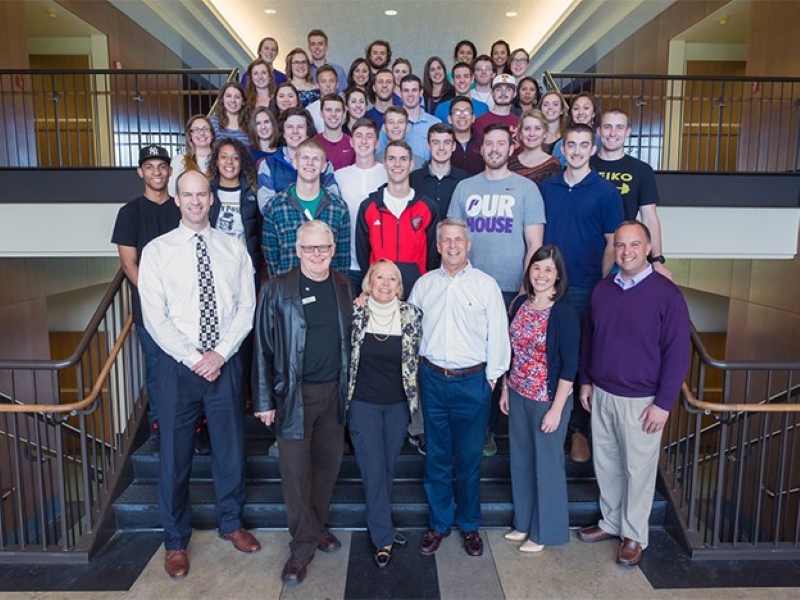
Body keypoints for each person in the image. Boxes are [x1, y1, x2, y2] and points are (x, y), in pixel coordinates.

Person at [138, 169, 259, 580]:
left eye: (201, 194)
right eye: (187, 195)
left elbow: (246, 306)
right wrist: (194, 357)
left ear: (211, 199)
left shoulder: (232, 247)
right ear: (177, 199)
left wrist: (220, 353)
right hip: (179, 366)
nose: (194, 201)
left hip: (224, 364)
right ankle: (175, 541)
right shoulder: (157, 251)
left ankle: (231, 523)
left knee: (230, 450)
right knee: (174, 457)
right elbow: (156, 318)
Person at [577, 220, 690, 566]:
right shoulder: (603, 289)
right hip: (603, 393)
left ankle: (634, 535)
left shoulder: (667, 295)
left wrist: (663, 404)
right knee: (607, 464)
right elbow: (588, 339)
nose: (626, 252)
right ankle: (611, 522)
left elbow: (678, 353)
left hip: (643, 401)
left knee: (638, 471)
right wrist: (585, 380)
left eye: (634, 245)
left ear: (648, 248)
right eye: (621, 245)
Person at [253, 220, 353, 585]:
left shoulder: (344, 286)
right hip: (294, 396)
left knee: (327, 466)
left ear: (332, 248)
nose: (317, 255)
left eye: (323, 248)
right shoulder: (277, 289)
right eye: (309, 248)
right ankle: (301, 546)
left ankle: (316, 526)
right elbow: (262, 349)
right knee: (295, 473)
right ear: (297, 250)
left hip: (334, 393)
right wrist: (264, 400)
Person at [410, 218, 510, 558]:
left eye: (458, 240)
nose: (452, 246)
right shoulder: (424, 285)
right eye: (446, 240)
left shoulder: (485, 285)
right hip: (433, 379)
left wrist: (492, 377)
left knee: (469, 459)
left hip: (473, 382)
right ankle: (438, 524)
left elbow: (498, 333)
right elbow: (412, 330)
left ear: (468, 245)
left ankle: (469, 525)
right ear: (438, 246)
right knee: (437, 457)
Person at [448, 122, 546, 457]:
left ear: (511, 148)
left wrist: (525, 288)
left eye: (500, 144)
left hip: (509, 289)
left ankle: (508, 428)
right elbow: (452, 238)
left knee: (508, 359)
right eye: (488, 144)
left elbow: (535, 242)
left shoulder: (526, 189)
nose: (494, 150)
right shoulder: (464, 188)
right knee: (474, 360)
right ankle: (482, 429)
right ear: (481, 148)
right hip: (469, 287)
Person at [539, 123, 624, 463]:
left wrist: (600, 286)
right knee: (547, 356)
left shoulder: (606, 192)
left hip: (585, 288)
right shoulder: (546, 188)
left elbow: (610, 244)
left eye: (582, 145)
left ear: (593, 149)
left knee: (578, 360)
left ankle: (577, 430)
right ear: (563, 149)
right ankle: (548, 420)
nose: (575, 150)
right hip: (547, 287)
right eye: (570, 144)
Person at [499, 246, 580, 553]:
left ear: (558, 275)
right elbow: (510, 351)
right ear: (529, 271)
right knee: (520, 461)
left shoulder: (563, 311)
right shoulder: (520, 303)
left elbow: (570, 365)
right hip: (518, 394)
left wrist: (557, 409)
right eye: (537, 268)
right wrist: (506, 388)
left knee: (546, 465)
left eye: (548, 270)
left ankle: (545, 532)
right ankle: (524, 523)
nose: (541, 275)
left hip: (548, 399)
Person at [347, 259, 422, 568]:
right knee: (373, 469)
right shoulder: (354, 313)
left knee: (388, 468)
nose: (386, 283)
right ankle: (383, 539)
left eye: (393, 279)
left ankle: (383, 525)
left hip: (397, 406)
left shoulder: (412, 315)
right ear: (369, 281)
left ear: (399, 286)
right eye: (380, 277)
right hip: (363, 404)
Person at [111, 145, 180, 439]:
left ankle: (193, 425)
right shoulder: (129, 212)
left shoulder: (181, 208)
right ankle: (161, 427)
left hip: (185, 306)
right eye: (150, 167)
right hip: (149, 308)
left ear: (170, 171)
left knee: (188, 366)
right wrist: (156, 297)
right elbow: (129, 265)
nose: (156, 172)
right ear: (140, 172)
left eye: (162, 166)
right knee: (157, 367)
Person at [591, 108, 670, 277]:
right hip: (586, 254)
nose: (613, 133)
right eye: (607, 127)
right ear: (598, 131)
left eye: (619, 127)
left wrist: (657, 260)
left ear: (628, 132)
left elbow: (649, 217)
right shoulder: (585, 166)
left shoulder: (642, 170)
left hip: (623, 257)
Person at [356, 140, 439, 296]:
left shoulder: (428, 207)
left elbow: (433, 254)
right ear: (385, 164)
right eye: (392, 159)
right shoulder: (369, 207)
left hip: (417, 289)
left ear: (411, 164)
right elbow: (363, 253)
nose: (397, 164)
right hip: (380, 290)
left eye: (403, 159)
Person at [261, 138, 350, 278]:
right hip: (287, 293)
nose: (310, 163)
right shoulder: (275, 206)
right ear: (295, 162)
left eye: (316, 159)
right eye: (305, 158)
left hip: (327, 291)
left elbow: (343, 259)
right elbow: (271, 258)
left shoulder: (338, 207)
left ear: (324, 166)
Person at [334, 118, 387, 290]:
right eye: (359, 136)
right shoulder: (338, 176)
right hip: (347, 264)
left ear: (377, 142)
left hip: (380, 263)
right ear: (351, 141)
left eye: (369, 136)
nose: (364, 141)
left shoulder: (388, 174)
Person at [256, 106, 338, 210]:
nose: (295, 131)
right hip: (284, 224)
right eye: (290, 127)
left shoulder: (323, 164)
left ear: (308, 132)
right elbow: (265, 206)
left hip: (316, 223)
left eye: (300, 127)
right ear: (283, 133)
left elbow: (334, 201)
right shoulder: (268, 164)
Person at [410, 122, 469, 222]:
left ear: (453, 146)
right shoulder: (413, 179)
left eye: (446, 142)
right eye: (436, 142)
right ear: (428, 146)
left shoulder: (465, 180)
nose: (441, 148)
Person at [388, 74, 442, 161]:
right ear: (400, 94)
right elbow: (381, 156)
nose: (410, 94)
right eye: (406, 90)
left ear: (421, 93)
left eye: (414, 90)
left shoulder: (436, 124)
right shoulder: (389, 125)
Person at [508, 109, 562, 185]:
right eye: (527, 128)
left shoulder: (553, 165)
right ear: (520, 133)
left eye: (537, 128)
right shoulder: (510, 163)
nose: (532, 133)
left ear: (545, 133)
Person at [551, 91, 601, 167]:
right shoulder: (560, 144)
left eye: (586, 108)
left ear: (594, 113)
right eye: (576, 108)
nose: (580, 112)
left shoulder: (601, 141)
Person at [169, 115, 214, 197]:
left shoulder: (222, 160)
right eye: (196, 129)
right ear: (190, 135)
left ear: (212, 134)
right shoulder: (179, 160)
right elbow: (172, 192)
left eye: (205, 129)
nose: (202, 133)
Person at [472, 74, 519, 146]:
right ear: (492, 93)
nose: (503, 93)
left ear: (515, 93)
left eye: (508, 89)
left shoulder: (520, 123)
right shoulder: (479, 122)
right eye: (498, 89)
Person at [314, 94, 355, 171]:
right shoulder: (313, 143)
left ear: (344, 114)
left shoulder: (352, 143)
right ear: (321, 113)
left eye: (338, 110)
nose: (333, 114)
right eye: (328, 110)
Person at [448, 96, 484, 175]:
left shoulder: (483, 142)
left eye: (467, 112)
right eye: (457, 112)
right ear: (449, 119)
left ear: (473, 118)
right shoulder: (444, 143)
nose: (462, 116)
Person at [209, 81, 250, 148]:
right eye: (228, 96)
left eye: (237, 97)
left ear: (243, 102)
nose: (233, 100)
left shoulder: (250, 123)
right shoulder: (213, 122)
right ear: (222, 99)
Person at [307, 29, 347, 94]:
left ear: (326, 47)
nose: (317, 47)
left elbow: (343, 96)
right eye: (313, 44)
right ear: (309, 48)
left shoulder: (339, 70)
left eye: (320, 44)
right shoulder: (304, 71)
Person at [305, 65, 340, 132]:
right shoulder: (309, 110)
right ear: (317, 85)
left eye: (331, 81)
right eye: (323, 81)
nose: (328, 85)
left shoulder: (346, 108)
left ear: (337, 84)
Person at [539, 90, 567, 155]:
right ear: (540, 110)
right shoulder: (534, 135)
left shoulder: (569, 135)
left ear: (562, 110)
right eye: (546, 105)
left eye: (555, 104)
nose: (550, 107)